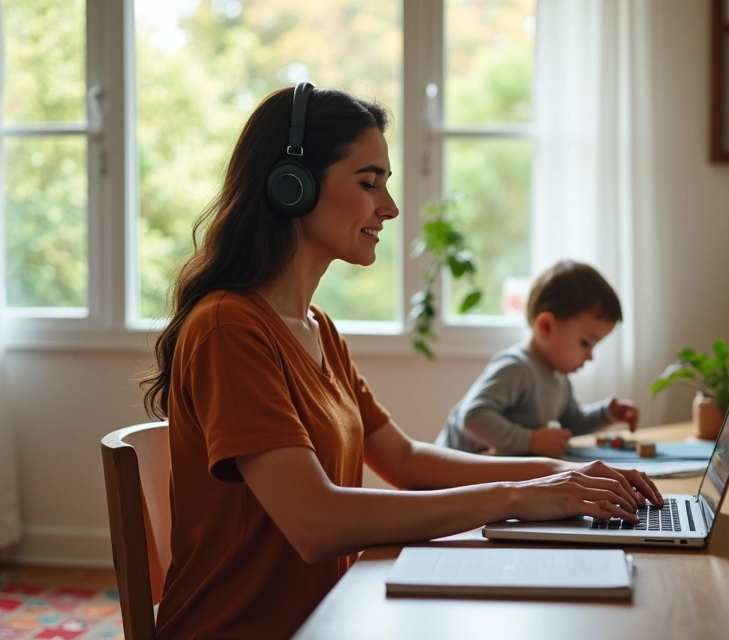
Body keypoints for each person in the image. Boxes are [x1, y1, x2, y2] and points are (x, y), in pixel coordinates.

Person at [138, 84, 662, 639]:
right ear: (291, 187)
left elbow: (406, 460)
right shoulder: (228, 328)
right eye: (368, 184)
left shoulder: (318, 330)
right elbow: (314, 521)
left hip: (327, 619)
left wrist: (563, 475)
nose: (388, 208)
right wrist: (515, 497)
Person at [435, 260, 639, 457]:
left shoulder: (559, 378)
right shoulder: (516, 367)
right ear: (546, 327)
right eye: (586, 343)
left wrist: (605, 414)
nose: (590, 356)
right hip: (450, 472)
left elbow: (570, 424)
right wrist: (530, 441)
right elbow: (472, 417)